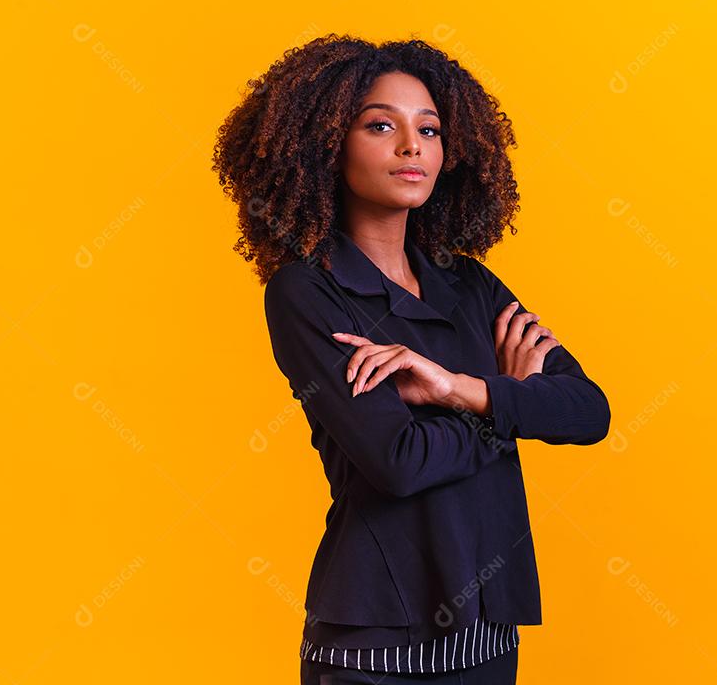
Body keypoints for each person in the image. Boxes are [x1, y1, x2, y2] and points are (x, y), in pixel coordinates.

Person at [212, 34, 611, 685]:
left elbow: (588, 411)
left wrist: (458, 389)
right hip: (375, 647)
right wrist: (505, 401)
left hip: (487, 636)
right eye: (380, 126)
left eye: (428, 129)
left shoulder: (472, 286)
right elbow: (397, 462)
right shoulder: (308, 291)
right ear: (327, 144)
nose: (411, 146)